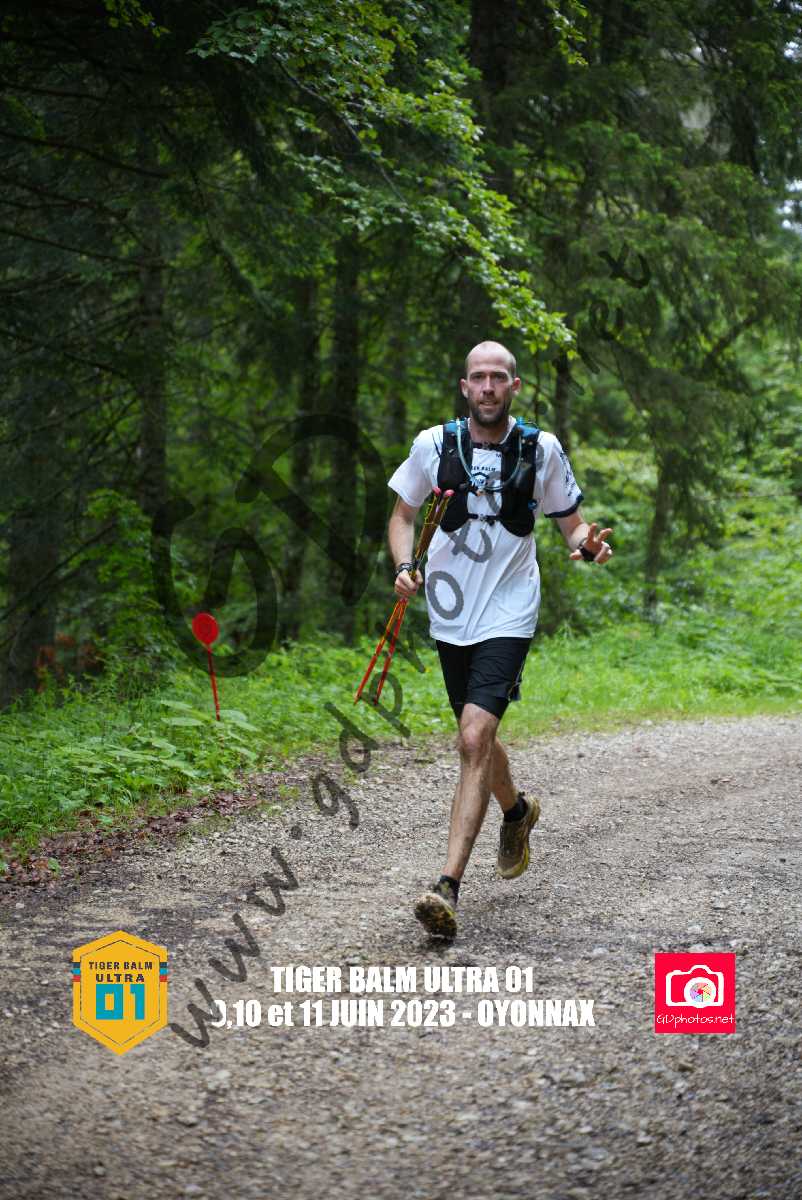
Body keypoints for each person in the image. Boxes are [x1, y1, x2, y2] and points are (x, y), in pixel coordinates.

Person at [386, 340, 613, 938]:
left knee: (472, 736)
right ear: (465, 387)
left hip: (510, 609)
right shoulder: (434, 445)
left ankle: (447, 887)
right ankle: (517, 810)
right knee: (477, 738)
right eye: (478, 377)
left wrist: (588, 545)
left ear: (515, 386)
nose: (488, 386)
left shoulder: (541, 449)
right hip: (450, 612)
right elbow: (402, 515)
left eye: (498, 377)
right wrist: (405, 565)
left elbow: (572, 525)